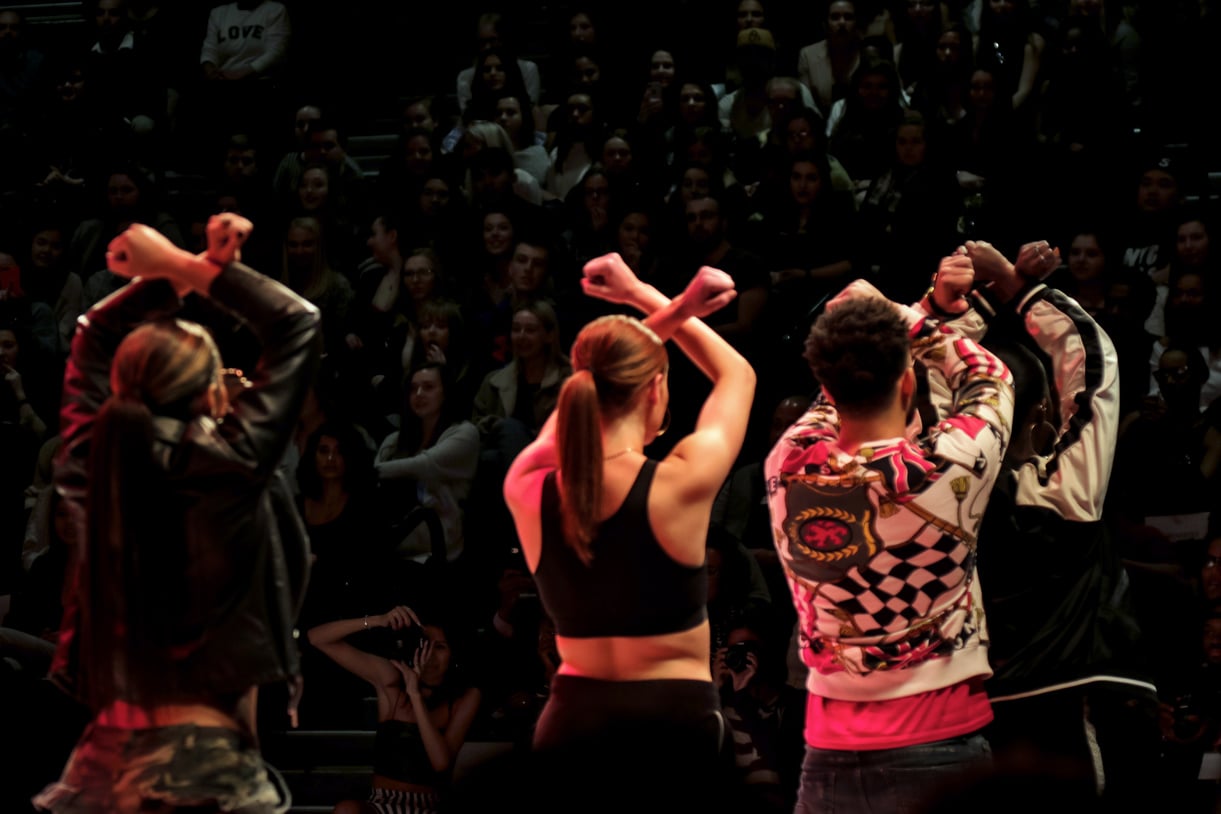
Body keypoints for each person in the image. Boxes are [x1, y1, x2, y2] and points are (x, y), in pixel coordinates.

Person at [33, 214, 320, 813]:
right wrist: (189, 268)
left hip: (105, 763)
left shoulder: (94, 465)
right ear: (210, 394)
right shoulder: (234, 466)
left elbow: (90, 336)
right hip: (204, 761)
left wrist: (163, 275)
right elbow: (296, 323)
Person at [502, 252, 757, 812]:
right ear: (655, 390)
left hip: (571, 724)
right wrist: (651, 296)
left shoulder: (526, 483)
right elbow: (737, 374)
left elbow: (572, 413)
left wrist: (664, 316)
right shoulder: (680, 484)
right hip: (672, 726)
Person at [765, 264, 1015, 814]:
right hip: (940, 748)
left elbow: (838, 395)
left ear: (826, 384)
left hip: (824, 754)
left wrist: (886, 323)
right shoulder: (951, 469)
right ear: (908, 382)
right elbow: (989, 377)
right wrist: (911, 319)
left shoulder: (787, 463)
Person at [307, 604, 481, 814]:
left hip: (428, 806)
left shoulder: (464, 698)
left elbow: (441, 763)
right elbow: (317, 638)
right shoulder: (393, 679)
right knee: (347, 809)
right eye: (425, 644)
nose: (430, 654)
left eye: (440, 647)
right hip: (381, 804)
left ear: (454, 654)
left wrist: (415, 695)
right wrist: (377, 620)